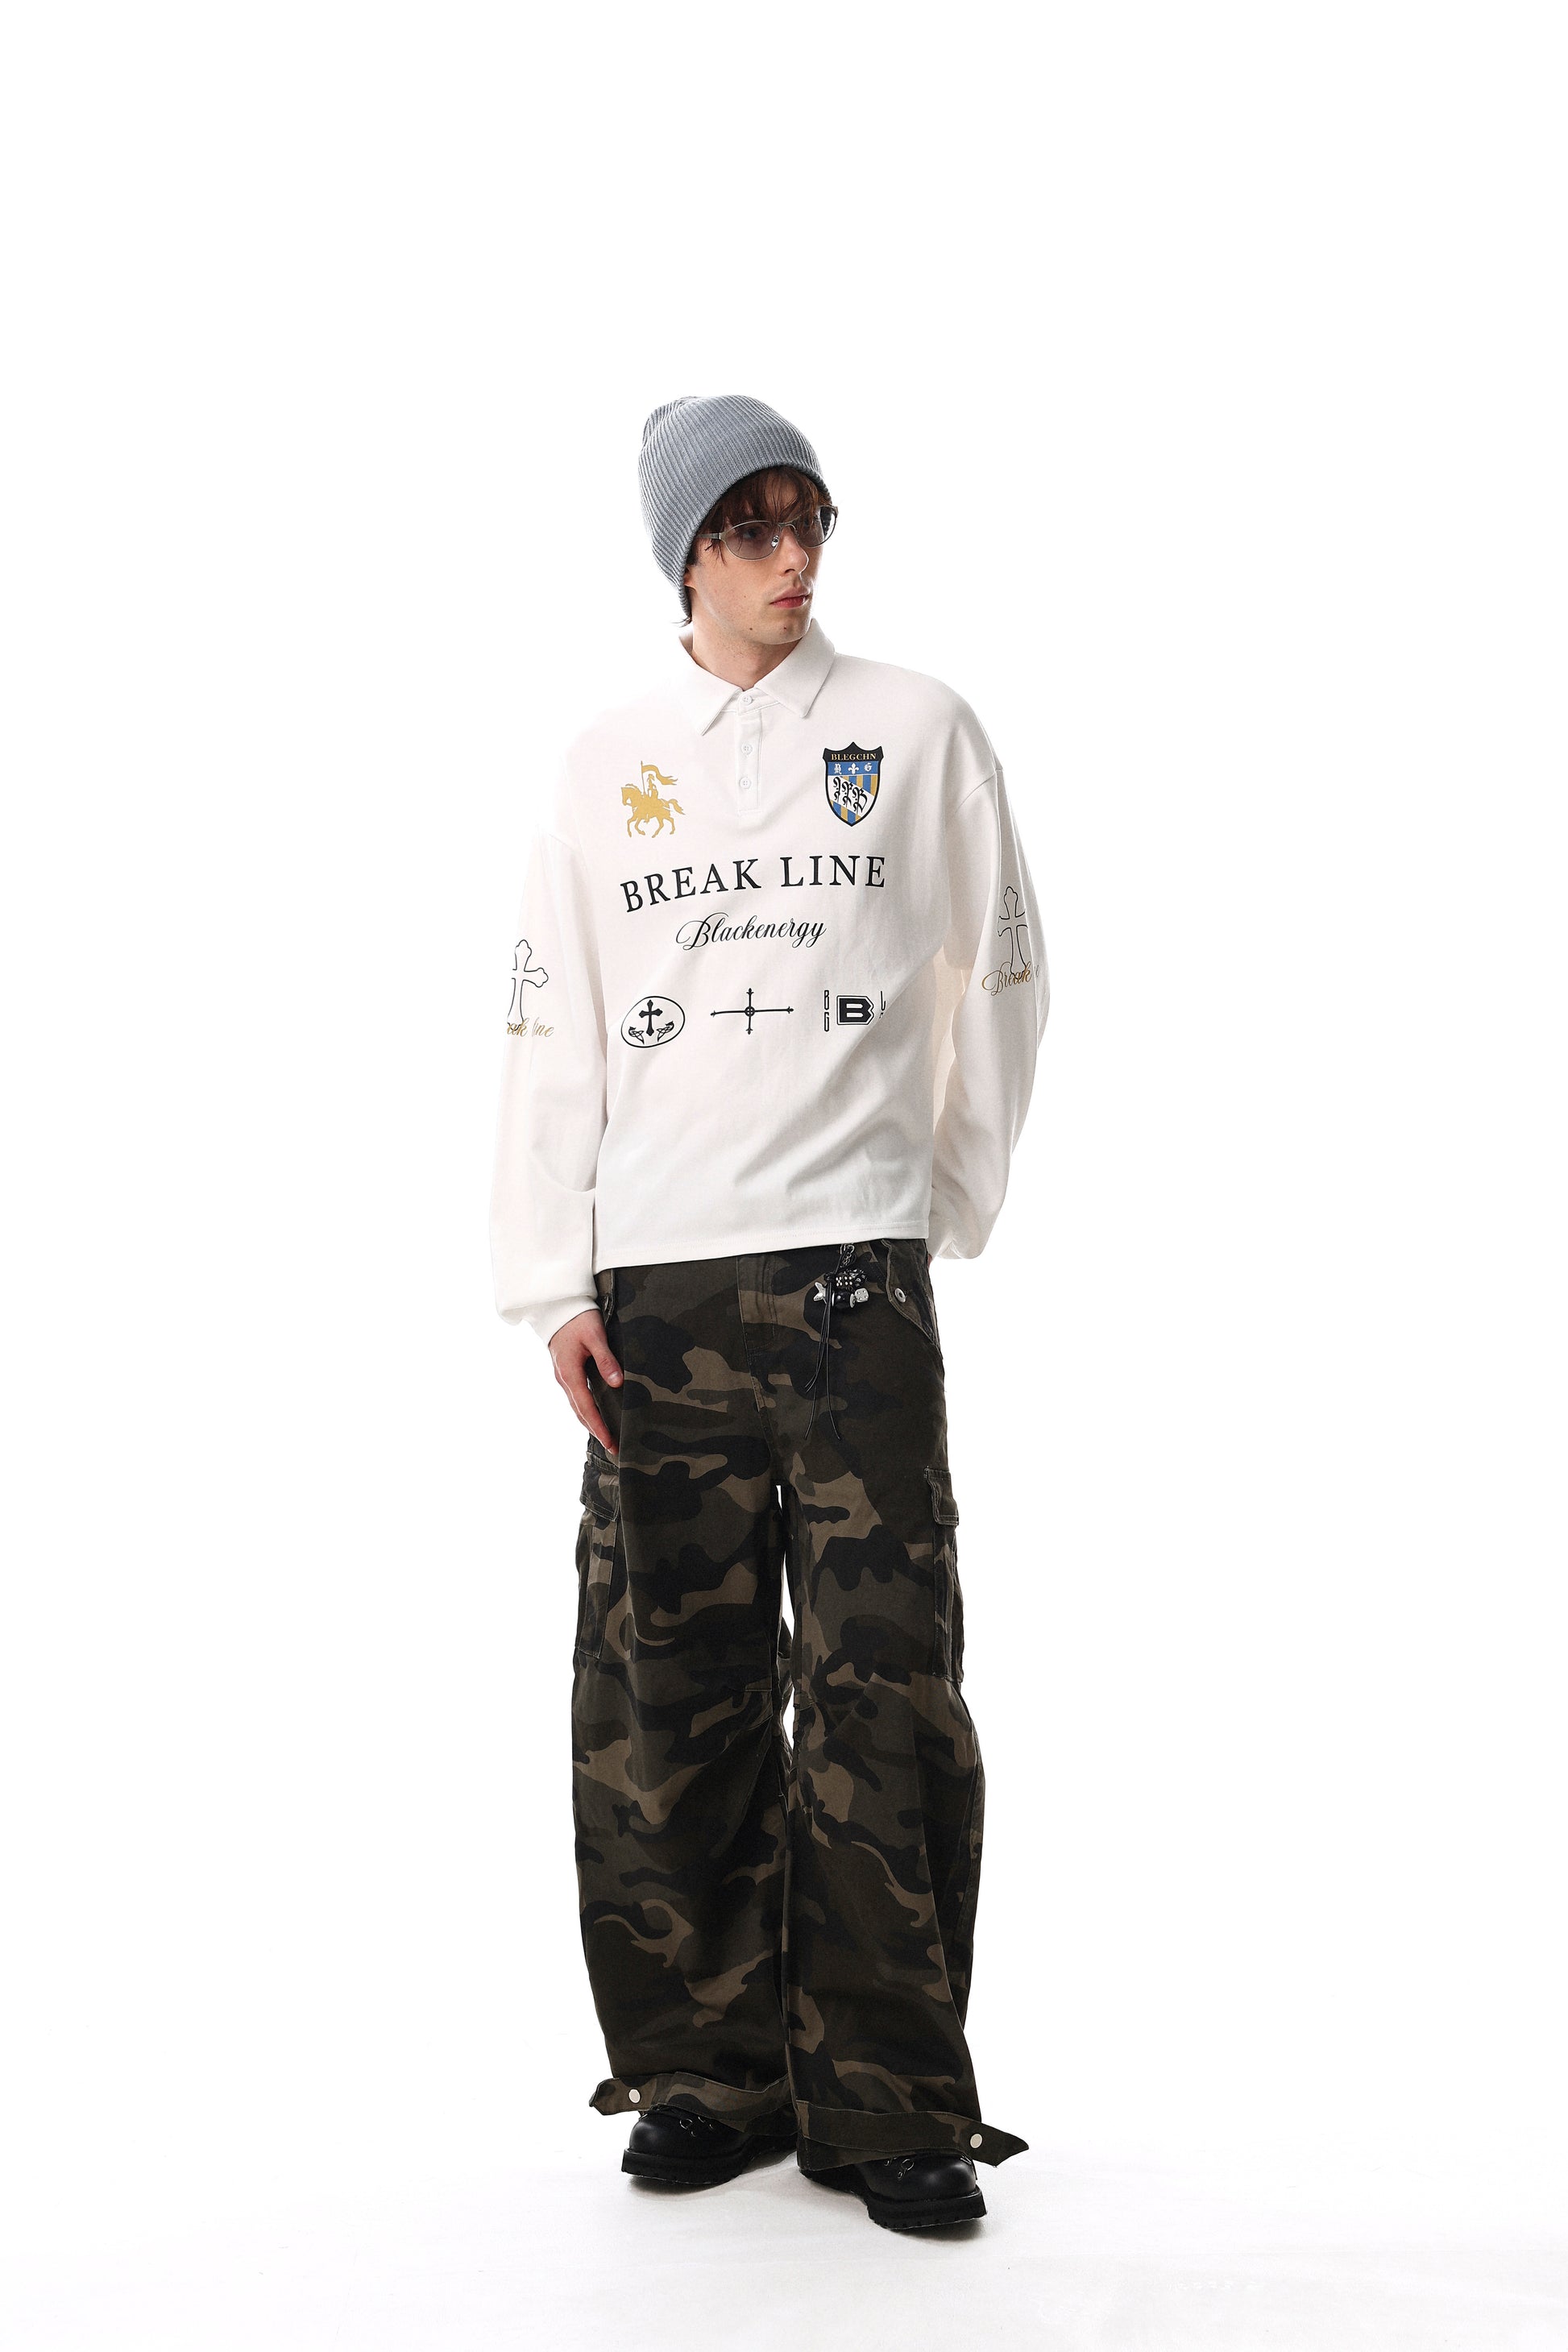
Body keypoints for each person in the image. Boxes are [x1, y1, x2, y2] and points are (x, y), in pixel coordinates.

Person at [490, 394, 1049, 2232]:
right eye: (749, 526)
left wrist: (937, 1197)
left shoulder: (914, 728)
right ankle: (705, 2071)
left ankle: (888, 2100)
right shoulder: (605, 766)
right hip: (657, 1289)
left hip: (851, 1279)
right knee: (671, 1682)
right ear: (685, 555)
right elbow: (552, 1025)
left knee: (884, 1685)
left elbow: (1002, 972)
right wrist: (552, 1280)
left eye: (808, 519)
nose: (792, 556)